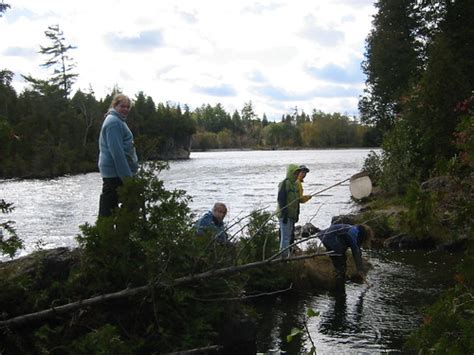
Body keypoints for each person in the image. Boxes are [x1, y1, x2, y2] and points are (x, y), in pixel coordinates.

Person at [98, 93, 138, 217]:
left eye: (128, 107)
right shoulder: (114, 122)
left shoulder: (117, 121)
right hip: (115, 172)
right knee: (123, 205)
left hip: (114, 172)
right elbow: (117, 152)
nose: (125, 109)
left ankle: (109, 232)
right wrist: (127, 178)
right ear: (114, 106)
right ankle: (115, 234)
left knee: (110, 205)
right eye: (122, 106)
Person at [317, 223, 374, 292]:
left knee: (341, 257)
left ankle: (337, 280)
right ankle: (338, 282)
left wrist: (360, 268)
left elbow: (356, 249)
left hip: (326, 235)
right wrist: (360, 269)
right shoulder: (354, 234)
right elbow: (356, 252)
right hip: (328, 237)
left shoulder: (355, 230)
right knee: (340, 260)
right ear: (365, 235)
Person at [277, 164, 301, 257]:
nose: (296, 175)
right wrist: (285, 214)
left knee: (290, 236)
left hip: (292, 215)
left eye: (298, 173)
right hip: (285, 216)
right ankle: (283, 257)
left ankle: (287, 255)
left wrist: (297, 214)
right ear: (291, 173)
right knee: (285, 237)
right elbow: (281, 199)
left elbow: (297, 201)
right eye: (295, 173)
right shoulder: (284, 183)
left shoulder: (295, 185)